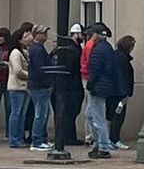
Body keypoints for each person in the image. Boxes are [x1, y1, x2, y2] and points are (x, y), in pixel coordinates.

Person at [84, 23, 121, 158]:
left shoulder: (98, 50)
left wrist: (90, 84)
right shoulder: (107, 48)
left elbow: (95, 70)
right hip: (104, 86)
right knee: (93, 114)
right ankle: (100, 144)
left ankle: (103, 145)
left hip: (98, 87)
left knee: (97, 116)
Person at [50, 24, 84, 155]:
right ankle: (67, 137)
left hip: (71, 84)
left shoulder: (72, 47)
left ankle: (70, 136)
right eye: (81, 34)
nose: (82, 37)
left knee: (71, 111)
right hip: (70, 85)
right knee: (69, 111)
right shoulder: (70, 48)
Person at [26, 24, 54, 149]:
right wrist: (48, 82)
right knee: (40, 114)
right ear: (36, 35)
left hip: (39, 85)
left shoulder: (38, 48)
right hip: (39, 86)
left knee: (44, 113)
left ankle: (42, 138)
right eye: (43, 33)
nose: (45, 35)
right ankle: (37, 140)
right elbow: (40, 69)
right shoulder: (37, 49)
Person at [109, 35, 136, 149]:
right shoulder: (122, 59)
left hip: (114, 91)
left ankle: (112, 138)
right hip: (120, 92)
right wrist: (126, 92)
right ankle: (114, 139)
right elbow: (124, 76)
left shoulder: (116, 56)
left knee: (113, 116)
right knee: (118, 116)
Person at [5, 32, 31, 147]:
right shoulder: (15, 53)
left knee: (21, 114)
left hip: (23, 87)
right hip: (17, 86)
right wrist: (30, 75)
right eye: (25, 37)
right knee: (16, 113)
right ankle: (14, 138)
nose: (28, 38)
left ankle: (19, 137)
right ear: (19, 40)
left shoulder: (23, 52)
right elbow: (18, 70)